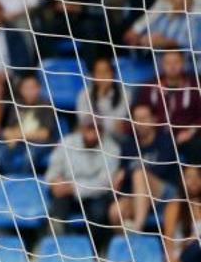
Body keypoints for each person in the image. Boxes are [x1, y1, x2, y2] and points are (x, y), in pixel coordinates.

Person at [111, 103, 181, 232]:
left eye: (144, 118)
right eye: (136, 119)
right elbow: (122, 178)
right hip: (139, 197)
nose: (139, 123)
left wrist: (127, 173)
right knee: (116, 211)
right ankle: (127, 246)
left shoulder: (165, 141)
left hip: (165, 195)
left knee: (139, 174)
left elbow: (160, 171)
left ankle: (137, 228)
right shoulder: (128, 146)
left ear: (154, 119)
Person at [46, 114, 118, 239]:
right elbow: (53, 169)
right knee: (57, 205)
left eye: (97, 128)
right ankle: (55, 239)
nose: (93, 132)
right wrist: (54, 182)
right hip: (66, 191)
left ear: (102, 131)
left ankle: (96, 248)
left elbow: (105, 182)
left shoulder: (112, 148)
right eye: (89, 128)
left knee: (98, 212)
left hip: (94, 194)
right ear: (82, 128)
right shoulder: (67, 141)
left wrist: (74, 187)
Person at [135, 49, 201, 145]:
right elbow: (140, 110)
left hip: (186, 138)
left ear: (183, 63)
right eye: (168, 62)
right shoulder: (150, 87)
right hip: (155, 137)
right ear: (162, 64)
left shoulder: (196, 85)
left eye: (176, 62)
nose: (172, 66)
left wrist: (191, 132)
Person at [76, 56, 129, 138]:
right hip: (91, 136)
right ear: (93, 76)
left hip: (115, 137)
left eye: (106, 72)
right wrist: (100, 96)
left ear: (113, 74)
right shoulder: (84, 94)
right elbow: (84, 120)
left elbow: (117, 124)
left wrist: (97, 122)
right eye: (99, 72)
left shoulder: (125, 94)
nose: (103, 76)